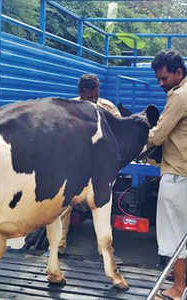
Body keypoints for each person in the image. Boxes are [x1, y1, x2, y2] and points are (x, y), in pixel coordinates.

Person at [148, 50, 187, 300]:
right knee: (181, 227)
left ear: (179, 73)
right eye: (158, 79)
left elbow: (157, 135)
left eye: (164, 79)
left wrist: (139, 139)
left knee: (172, 231)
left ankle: (178, 287)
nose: (161, 84)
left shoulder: (180, 96)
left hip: (178, 172)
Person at [58, 73, 122, 255]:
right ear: (81, 92)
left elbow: (118, 133)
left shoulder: (108, 108)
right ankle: (58, 246)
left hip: (100, 166)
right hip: (75, 165)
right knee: (64, 206)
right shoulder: (69, 108)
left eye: (95, 96)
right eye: (88, 97)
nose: (92, 100)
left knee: (101, 206)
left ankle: (104, 250)